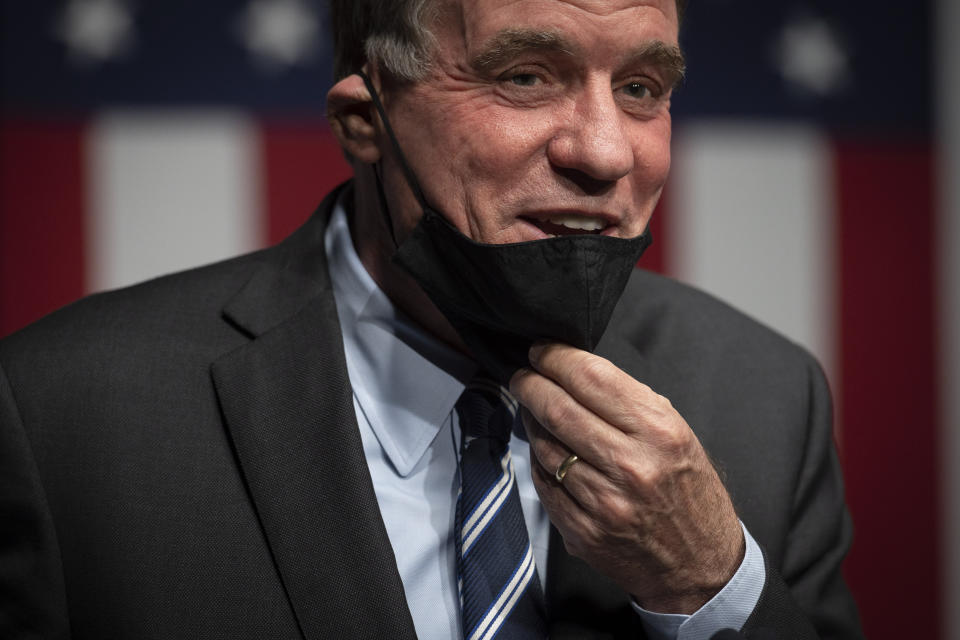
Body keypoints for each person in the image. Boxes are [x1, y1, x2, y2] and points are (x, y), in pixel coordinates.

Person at [0, 0, 862, 638]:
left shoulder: (770, 397)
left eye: (641, 88)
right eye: (526, 76)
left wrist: (713, 584)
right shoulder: (58, 413)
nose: (606, 152)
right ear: (364, 120)